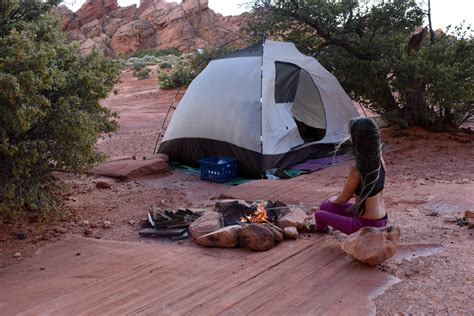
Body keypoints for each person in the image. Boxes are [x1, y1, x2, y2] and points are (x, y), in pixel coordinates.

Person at [314, 117, 388, 235]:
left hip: (364, 226)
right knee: (324, 206)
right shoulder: (379, 160)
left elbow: (343, 198)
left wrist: (332, 199)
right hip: (382, 220)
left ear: (356, 139)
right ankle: (331, 225)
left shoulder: (357, 168)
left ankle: (321, 230)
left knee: (319, 214)